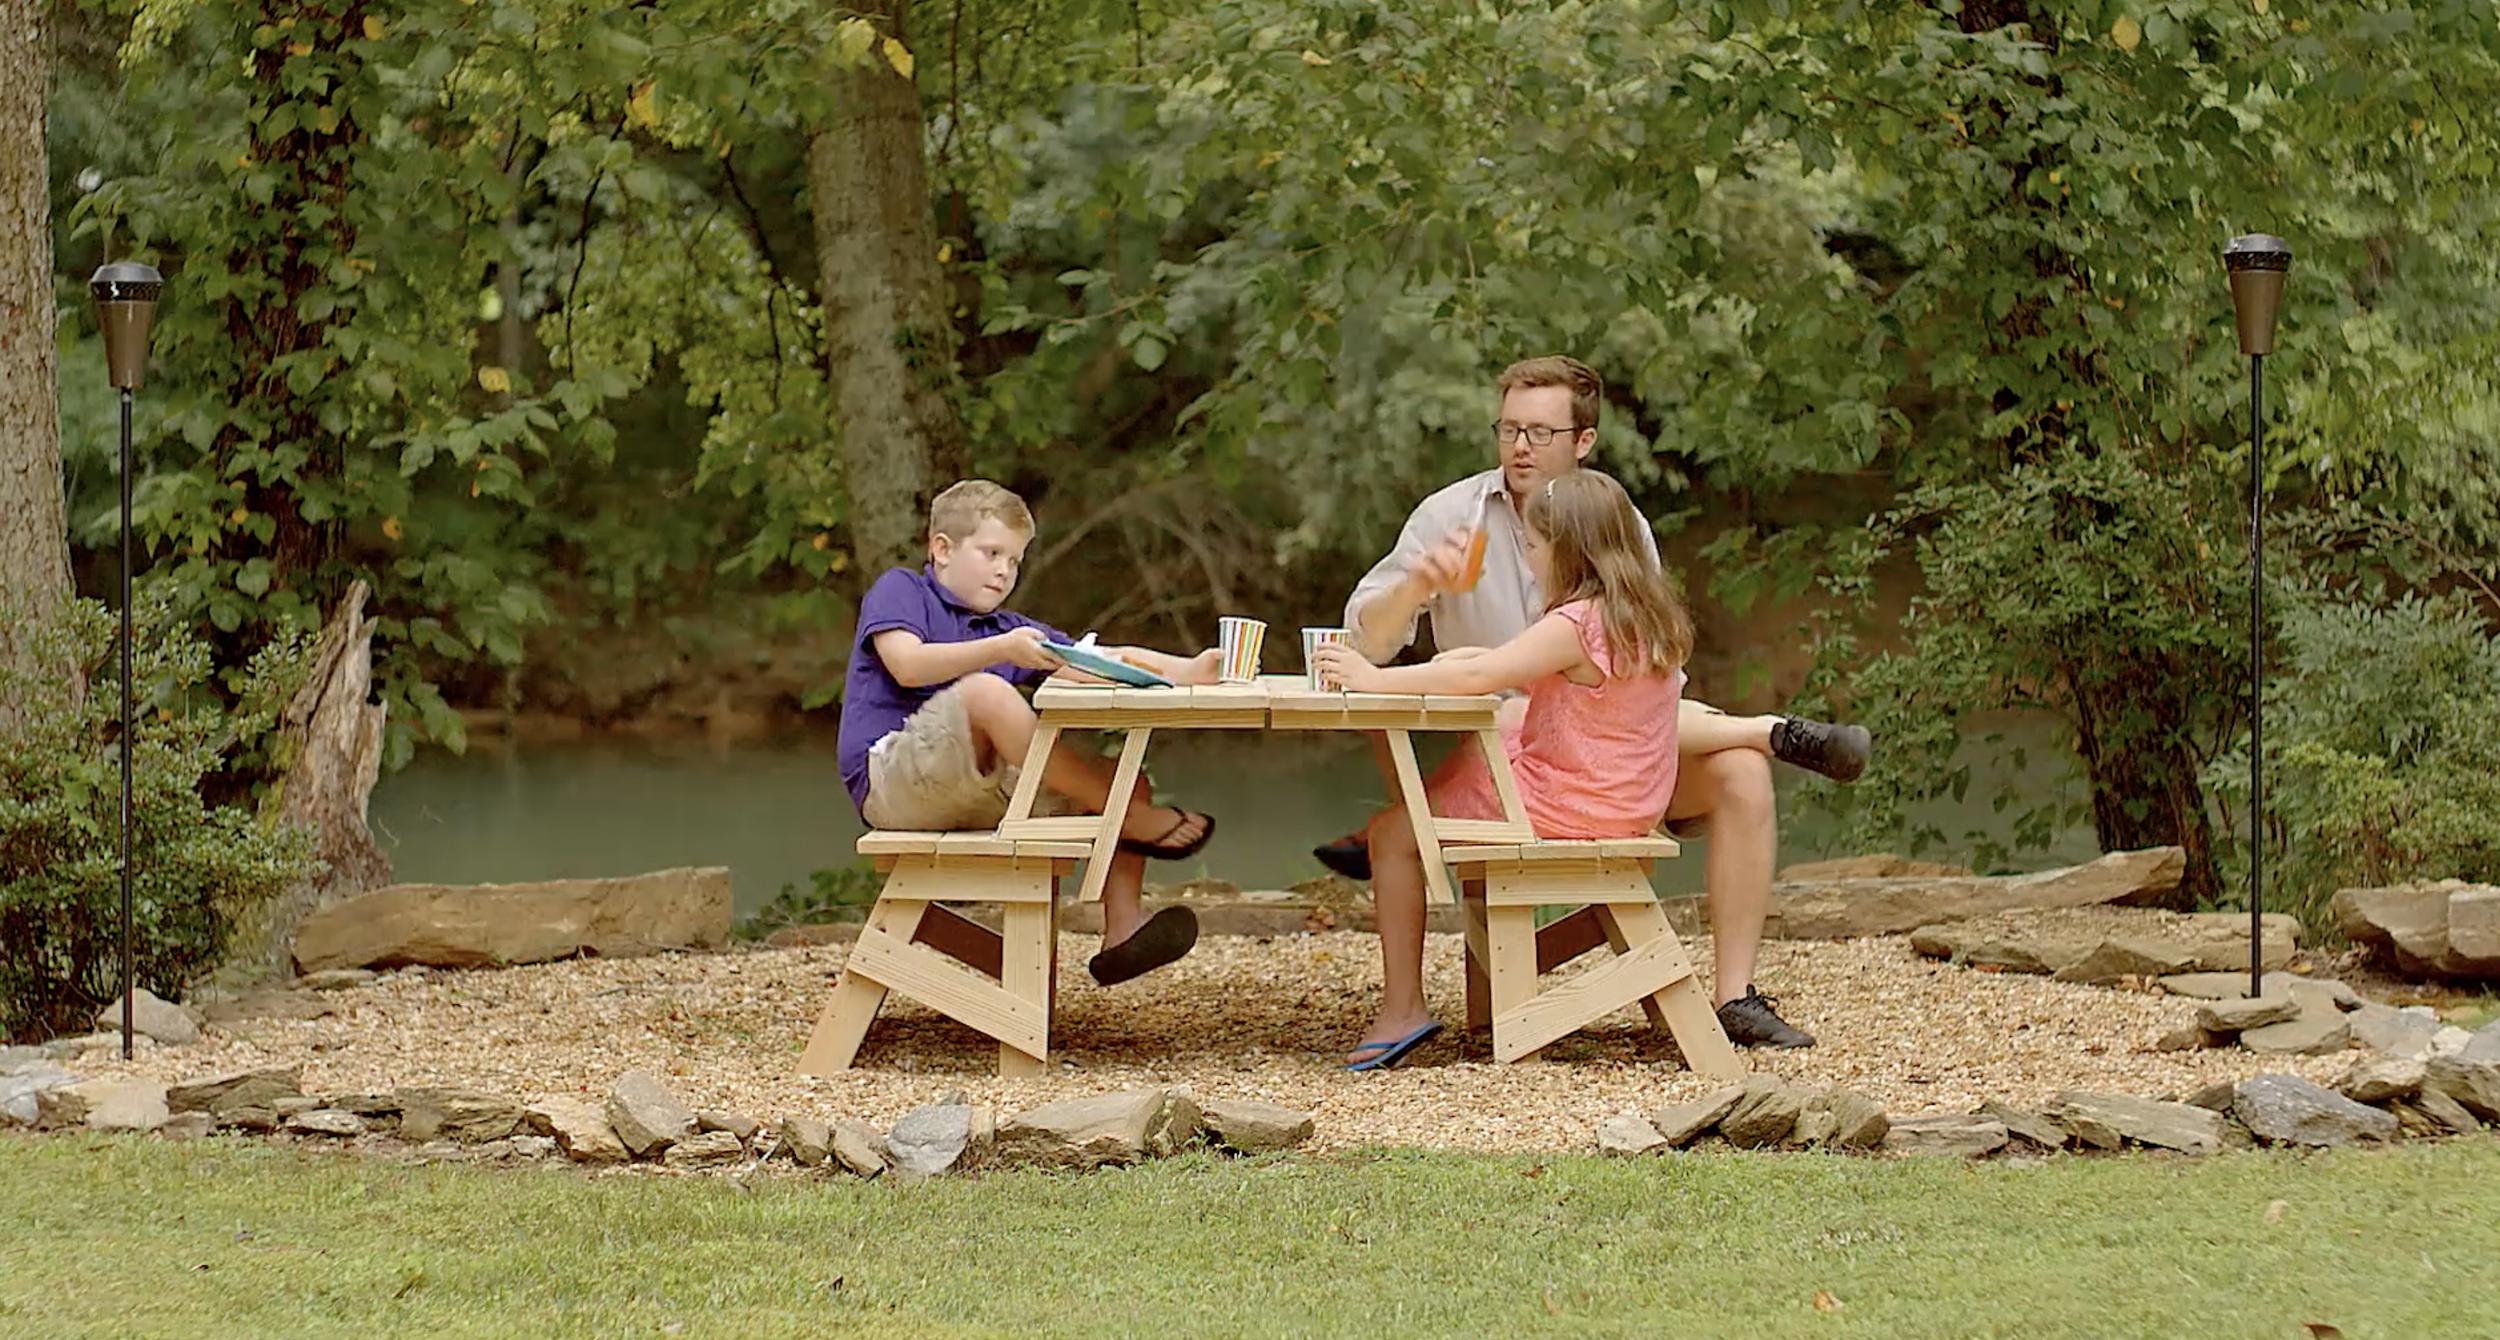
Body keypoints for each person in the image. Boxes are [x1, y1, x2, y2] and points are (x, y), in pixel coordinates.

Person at [1324, 355, 1871, 1050]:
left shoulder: (1612, 536)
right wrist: (1416, 588)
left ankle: (1733, 996)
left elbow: (1636, 696)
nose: (1520, 447)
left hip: (1569, 770)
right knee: (1515, 715)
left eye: (1540, 433)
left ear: (1583, 441)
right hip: (1534, 748)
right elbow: (1375, 642)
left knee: (1740, 774)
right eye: (1509, 429)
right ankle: (1767, 729)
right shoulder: (1452, 516)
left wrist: (1420, 678)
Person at [1310, 469, 1691, 1069]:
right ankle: (1445, 870)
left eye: (1533, 546)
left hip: (1576, 804)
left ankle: (1403, 1008)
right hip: (1628, 799)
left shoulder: (1575, 624)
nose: (1529, 560)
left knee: (1394, 833)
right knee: (1500, 736)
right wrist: (1468, 661)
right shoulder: (1642, 616)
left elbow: (1479, 677)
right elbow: (1504, 665)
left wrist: (1373, 678)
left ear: (1567, 550)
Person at [837, 479, 1222, 985]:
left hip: (977, 790)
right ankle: (1131, 820)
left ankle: (1122, 931)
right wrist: (1001, 651)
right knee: (989, 694)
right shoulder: (902, 590)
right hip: (892, 782)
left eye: (1015, 560)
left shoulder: (1006, 629)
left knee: (1125, 779)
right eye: (992, 553)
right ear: (942, 549)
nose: (1004, 570)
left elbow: (1099, 659)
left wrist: (1187, 670)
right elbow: (907, 665)